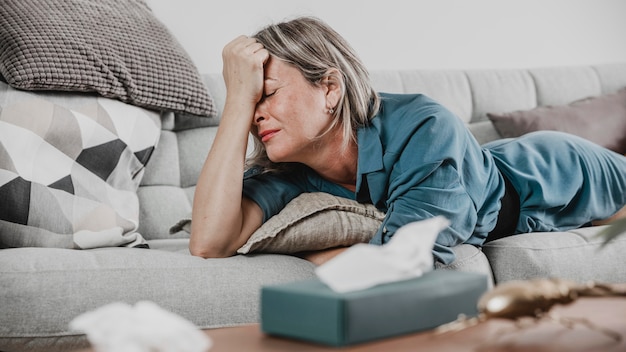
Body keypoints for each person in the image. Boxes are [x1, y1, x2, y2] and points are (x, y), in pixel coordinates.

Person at [190, 16, 626, 266]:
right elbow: (210, 242)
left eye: (265, 94)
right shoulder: (290, 172)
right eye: (248, 103)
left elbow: (409, 259)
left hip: (557, 171)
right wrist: (235, 103)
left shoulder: (423, 125)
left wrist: (317, 255)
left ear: (329, 88)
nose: (254, 115)